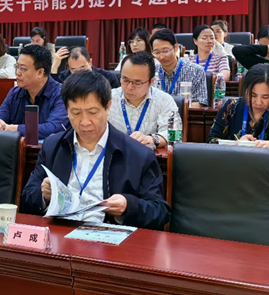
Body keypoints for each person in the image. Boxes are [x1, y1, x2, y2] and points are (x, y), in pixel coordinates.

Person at [19, 70, 170, 229]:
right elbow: (26, 200)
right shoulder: (52, 146)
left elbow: (160, 212)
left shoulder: (138, 154)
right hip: (59, 233)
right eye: (76, 112)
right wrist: (43, 195)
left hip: (107, 236)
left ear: (107, 107)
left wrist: (128, 206)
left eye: (92, 112)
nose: (84, 122)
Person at [208, 64, 269, 155]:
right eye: (253, 95)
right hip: (234, 163)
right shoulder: (231, 106)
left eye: (265, 97)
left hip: (268, 164)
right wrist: (236, 145)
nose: (258, 102)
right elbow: (211, 140)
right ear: (245, 90)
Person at [0, 45, 67, 139]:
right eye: (17, 67)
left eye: (23, 69)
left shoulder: (62, 94)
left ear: (40, 72)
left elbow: (54, 128)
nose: (17, 72)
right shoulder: (14, 93)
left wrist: (11, 129)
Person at [107, 52, 177, 149]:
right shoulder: (108, 98)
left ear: (151, 82)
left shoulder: (164, 100)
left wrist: (152, 139)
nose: (129, 87)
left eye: (137, 82)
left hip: (149, 156)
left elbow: (175, 135)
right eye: (125, 80)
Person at [150, 30, 208, 108]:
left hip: (184, 114)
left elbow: (200, 103)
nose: (161, 56)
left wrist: (172, 108)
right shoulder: (151, 71)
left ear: (176, 47)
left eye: (165, 51)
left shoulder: (196, 71)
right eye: (157, 52)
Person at [51, 47, 120, 88]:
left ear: (90, 62)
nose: (79, 73)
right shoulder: (64, 77)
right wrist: (54, 66)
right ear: (69, 67)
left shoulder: (108, 77)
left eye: (83, 68)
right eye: (74, 70)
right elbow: (52, 91)